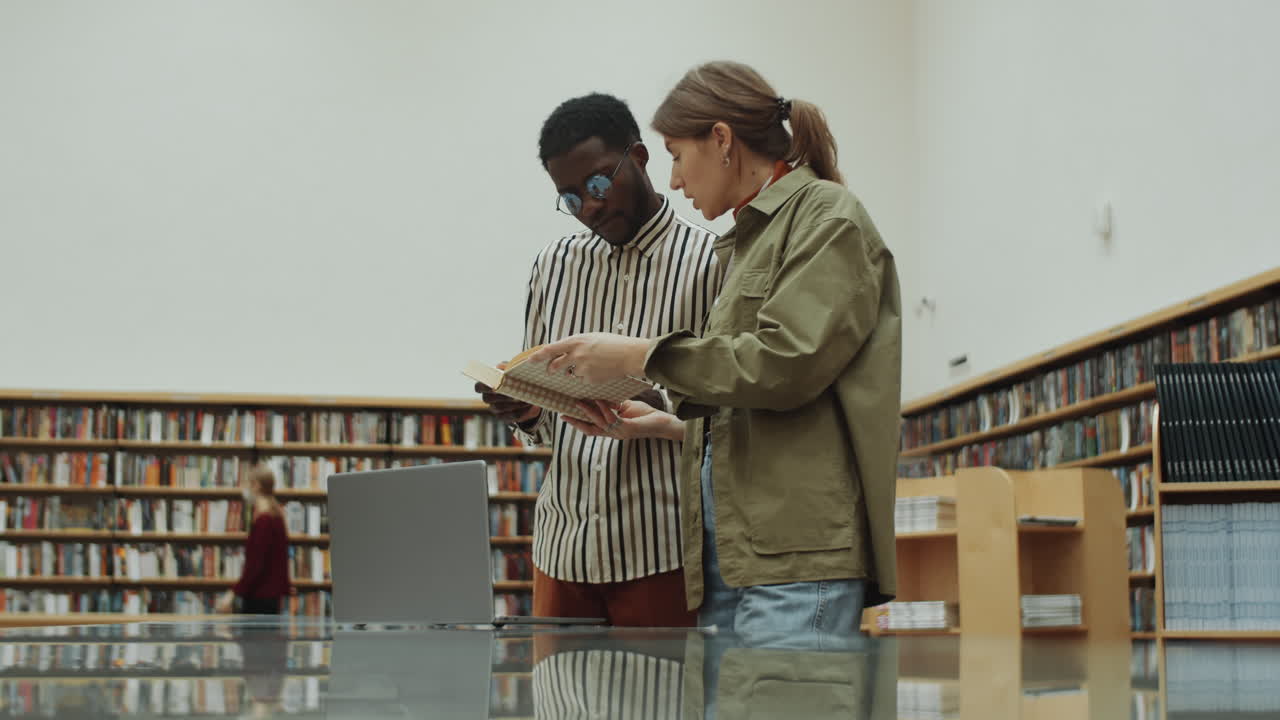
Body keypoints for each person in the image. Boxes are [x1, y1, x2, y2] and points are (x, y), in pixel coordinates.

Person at [529, 61, 902, 634]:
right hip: (736, 556)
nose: (676, 180)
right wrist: (662, 424)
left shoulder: (827, 217)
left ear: (722, 141)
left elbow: (785, 366)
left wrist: (639, 356)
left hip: (793, 553)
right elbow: (744, 407)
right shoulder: (747, 242)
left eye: (677, 156)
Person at [474, 93, 724, 626]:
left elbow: (728, 417)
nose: (587, 207)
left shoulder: (712, 263)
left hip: (661, 552)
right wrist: (524, 411)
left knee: (657, 707)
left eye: (597, 185)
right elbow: (543, 427)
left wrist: (656, 396)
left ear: (639, 157)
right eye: (569, 197)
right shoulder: (553, 266)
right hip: (562, 551)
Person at [217, 464, 292, 614]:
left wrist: (233, 594)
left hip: (259, 597)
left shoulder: (264, 520)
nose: (245, 489)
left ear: (256, 486)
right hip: (271, 597)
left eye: (247, 484)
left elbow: (255, 565)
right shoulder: (276, 515)